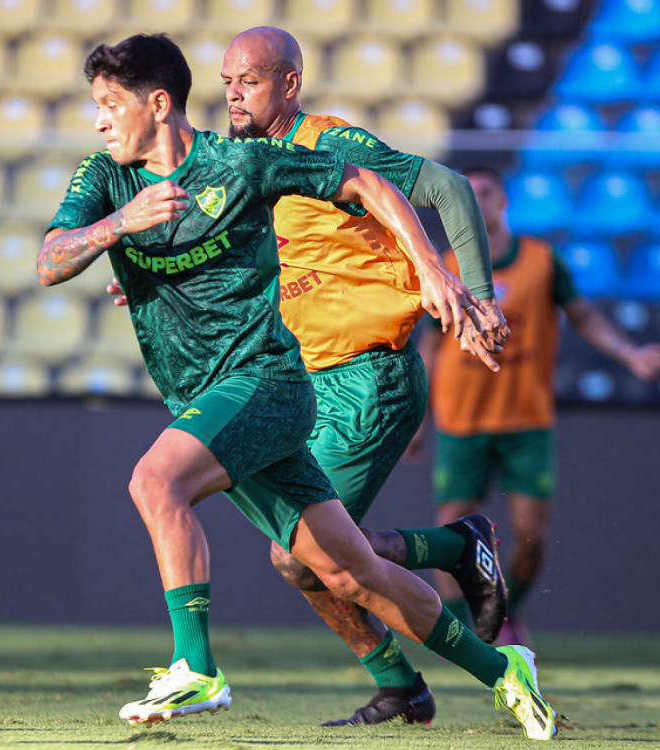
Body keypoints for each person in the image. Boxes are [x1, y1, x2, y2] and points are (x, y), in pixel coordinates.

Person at [39, 33, 556, 740]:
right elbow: (55, 259)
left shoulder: (279, 155)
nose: (234, 96)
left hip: (309, 376)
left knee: (158, 484)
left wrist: (447, 279)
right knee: (339, 567)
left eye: (109, 105)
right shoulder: (125, 175)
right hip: (254, 383)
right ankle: (495, 667)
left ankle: (199, 667)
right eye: (228, 81)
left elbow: (414, 186)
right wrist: (132, 242)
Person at [413, 165, 660, 646]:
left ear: (503, 201)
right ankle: (462, 630)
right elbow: (430, 346)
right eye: (467, 196)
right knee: (449, 530)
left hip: (526, 421)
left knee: (531, 541)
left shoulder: (542, 262)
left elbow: (585, 317)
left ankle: (505, 613)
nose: (476, 203)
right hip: (462, 419)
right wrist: (417, 419)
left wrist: (631, 355)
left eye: (484, 193)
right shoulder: (443, 265)